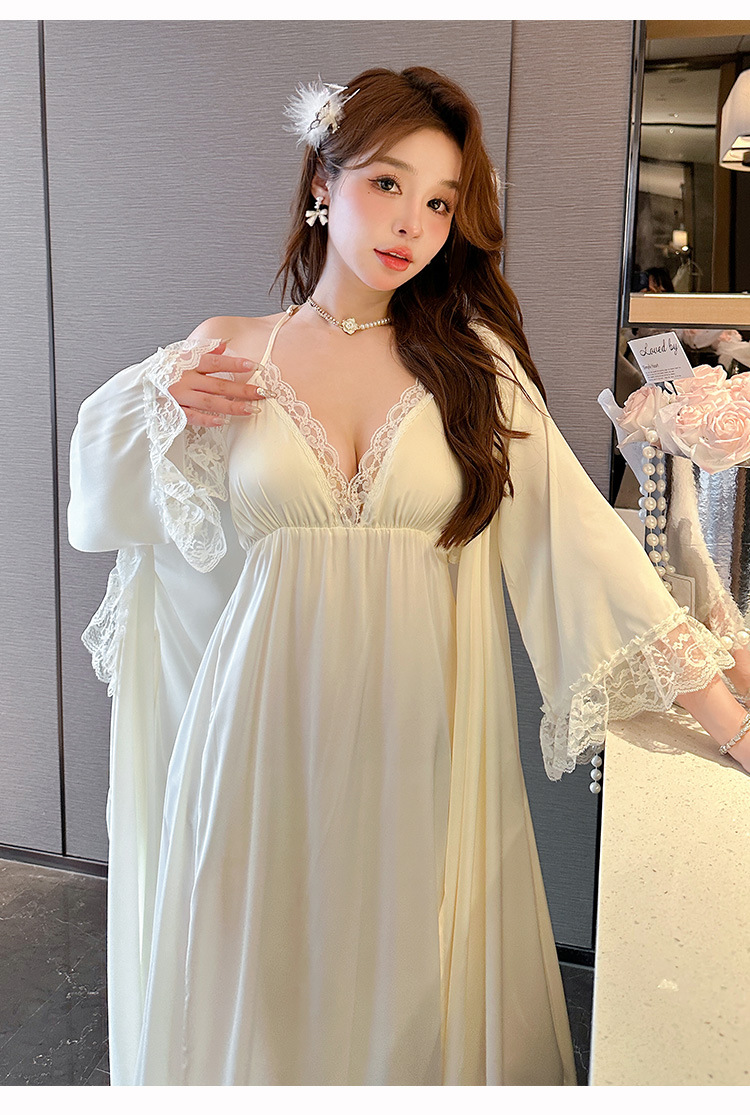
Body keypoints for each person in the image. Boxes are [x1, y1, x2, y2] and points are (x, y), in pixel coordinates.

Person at [67, 67, 749, 1087]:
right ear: (322, 182)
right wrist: (155, 404)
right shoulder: (228, 352)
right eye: (388, 183)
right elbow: (104, 509)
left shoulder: (472, 366)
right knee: (260, 977)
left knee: (408, 985)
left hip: (419, 734)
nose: (412, 224)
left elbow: (579, 545)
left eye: (439, 202)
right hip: (253, 736)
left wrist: (729, 719)